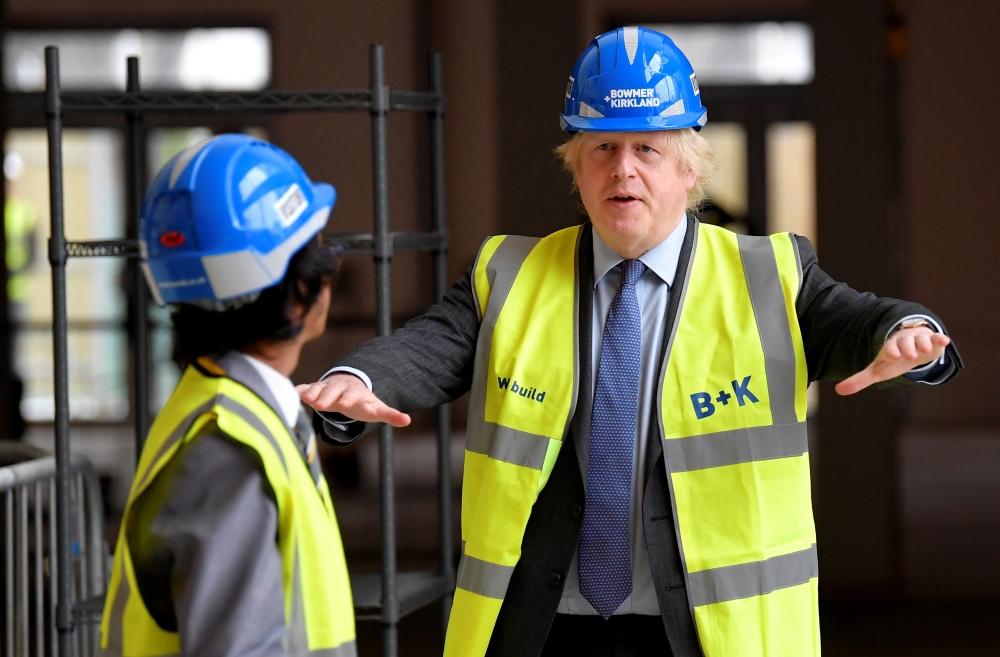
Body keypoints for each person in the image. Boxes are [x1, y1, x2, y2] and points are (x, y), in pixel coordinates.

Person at [298, 27, 962, 657]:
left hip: (702, 634)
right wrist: (359, 380)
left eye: (647, 149)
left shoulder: (771, 275)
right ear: (576, 167)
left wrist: (905, 332)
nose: (624, 170)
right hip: (546, 628)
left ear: (688, 170)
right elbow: (429, 345)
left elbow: (856, 318)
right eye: (603, 148)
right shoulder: (508, 273)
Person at [99, 134, 356, 657]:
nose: (331, 268)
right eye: (320, 251)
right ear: (298, 298)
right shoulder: (230, 453)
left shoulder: (223, 411)